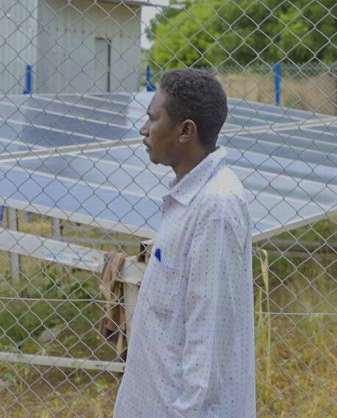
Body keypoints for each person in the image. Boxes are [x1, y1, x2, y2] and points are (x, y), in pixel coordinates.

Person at [114, 68, 256, 417]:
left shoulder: (214, 208)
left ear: (185, 131)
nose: (143, 129)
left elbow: (208, 345)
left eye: (153, 119)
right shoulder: (190, 200)